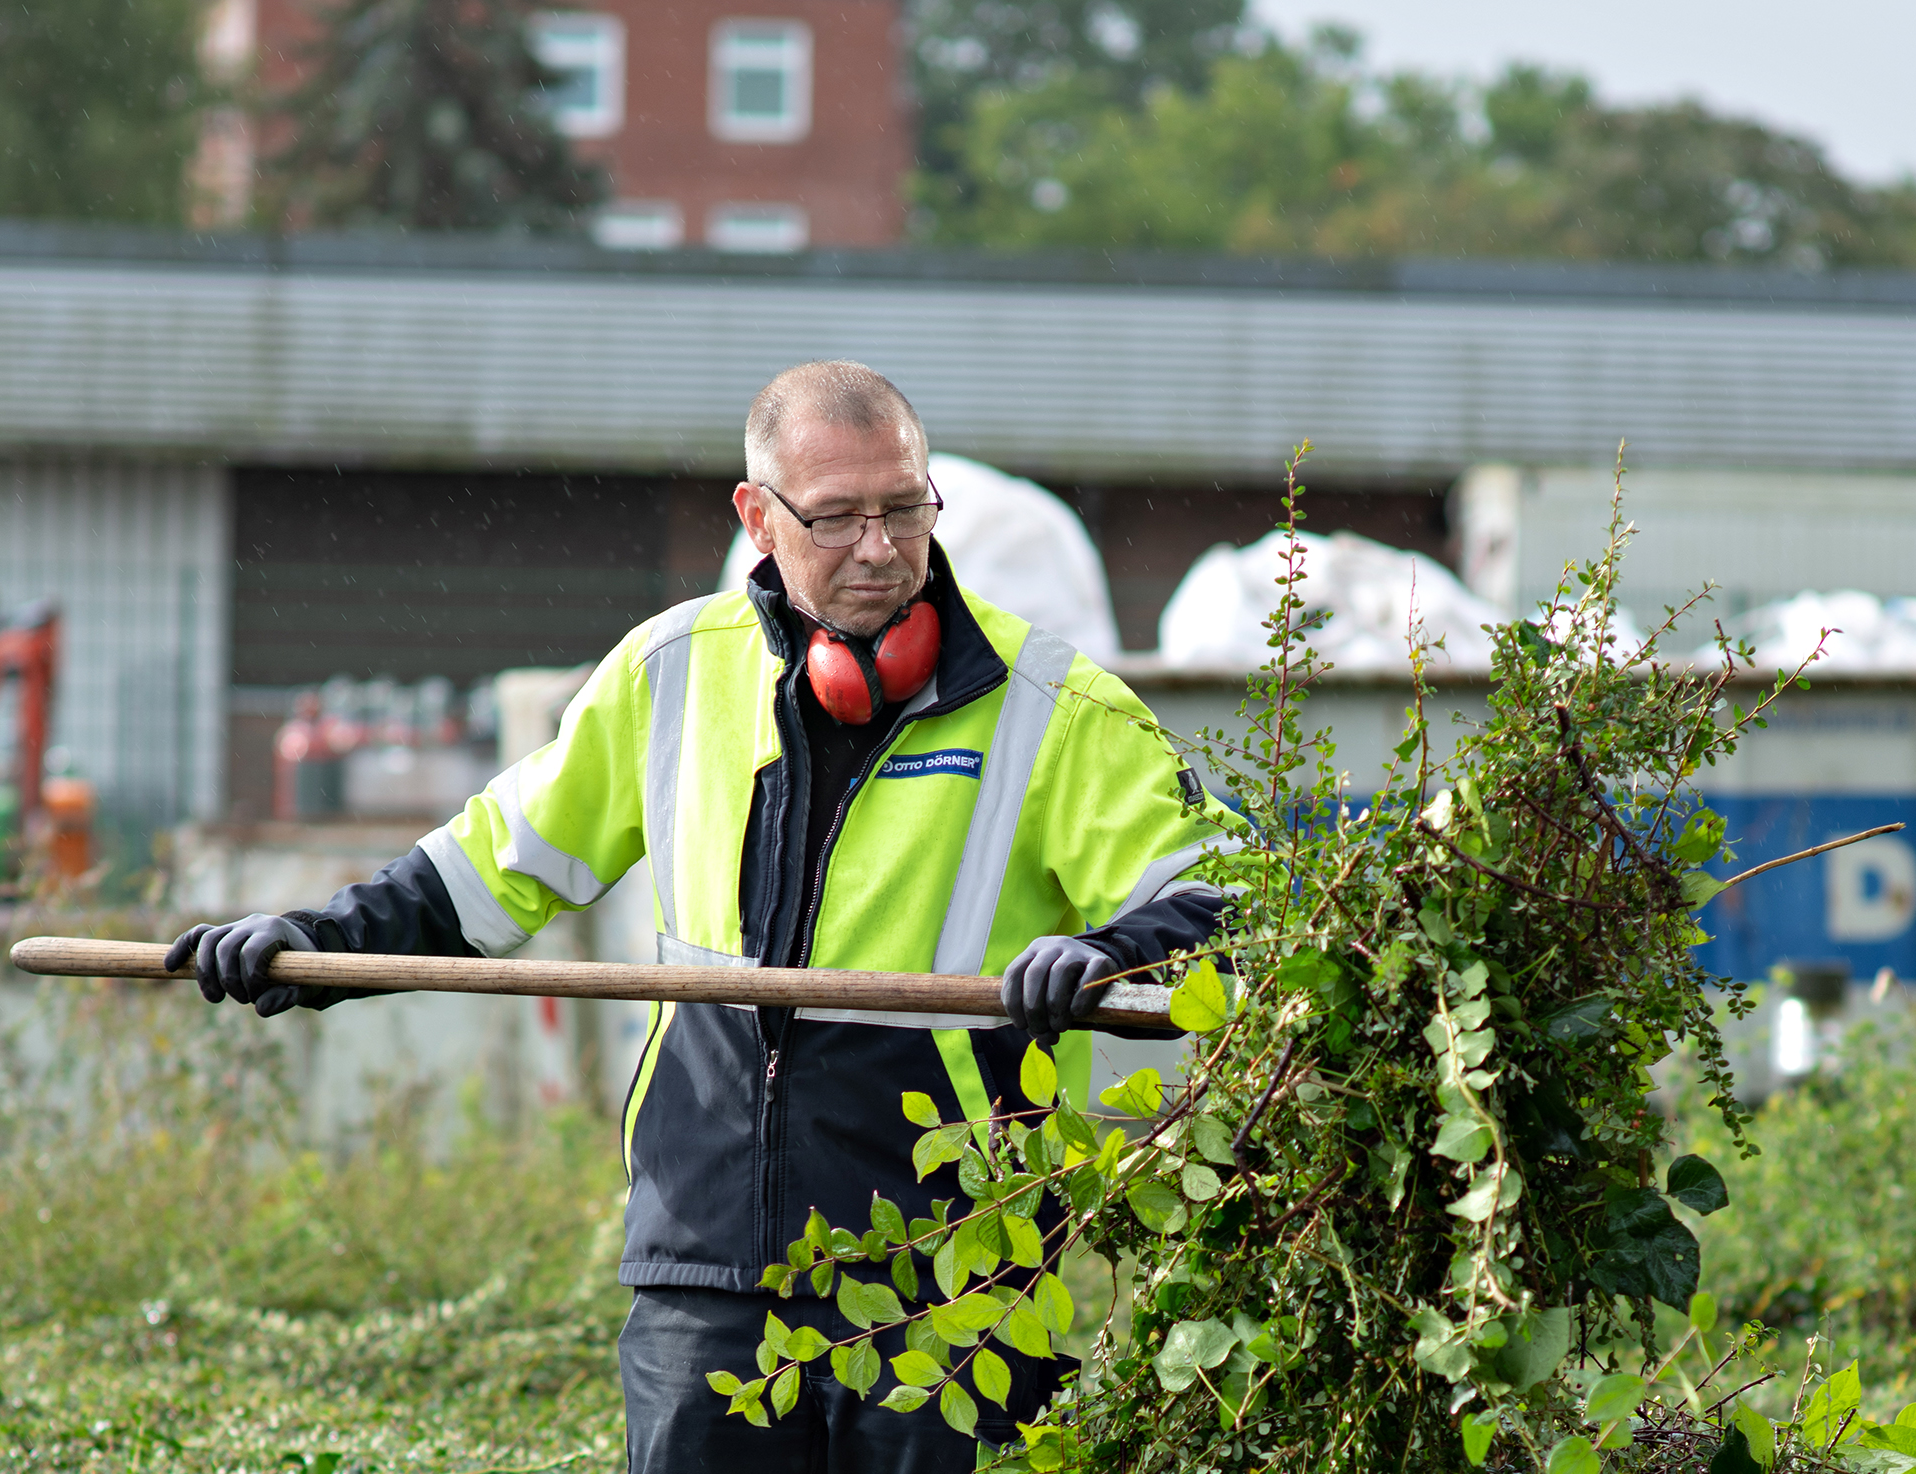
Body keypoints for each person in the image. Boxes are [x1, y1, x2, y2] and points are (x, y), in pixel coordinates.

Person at [166, 360, 1234, 1470]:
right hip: (706, 1266)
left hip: (952, 1271)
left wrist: (1107, 956)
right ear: (756, 518)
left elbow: (1224, 901)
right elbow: (485, 872)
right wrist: (308, 946)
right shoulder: (669, 673)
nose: (879, 546)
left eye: (904, 509)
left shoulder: (1053, 709)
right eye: (836, 517)